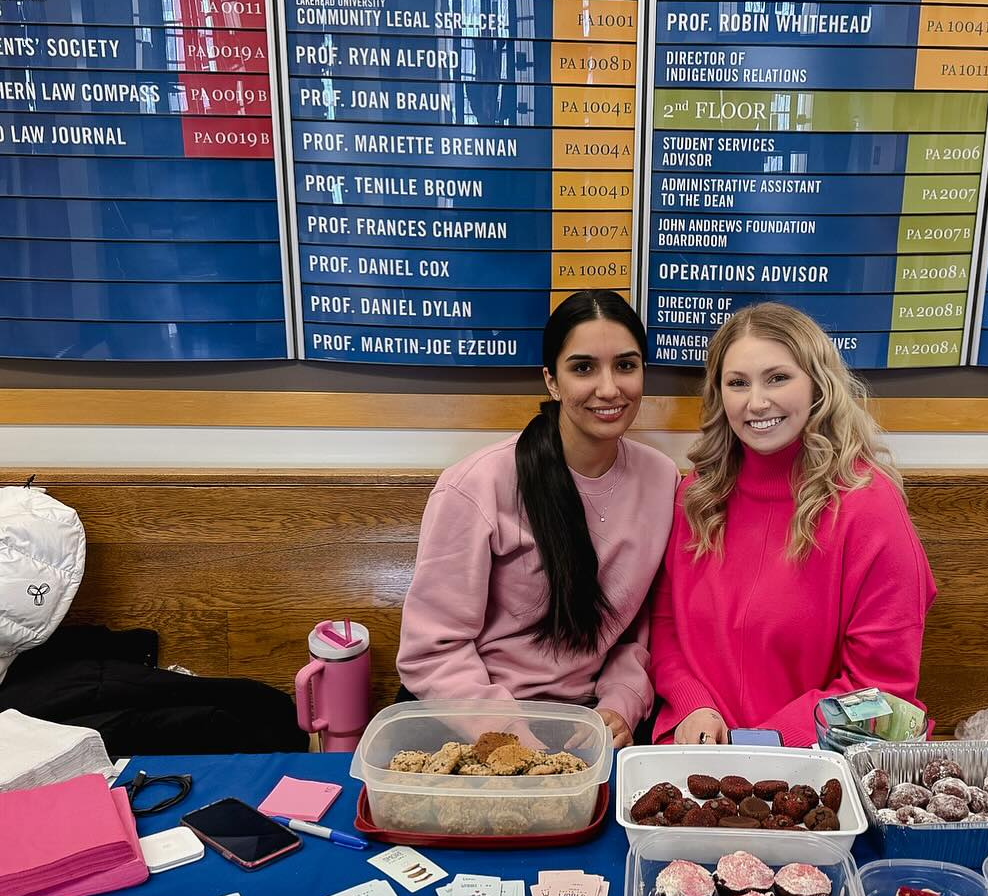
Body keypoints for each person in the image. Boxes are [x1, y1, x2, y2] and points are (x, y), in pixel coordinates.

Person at [398, 291, 676, 747]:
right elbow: (433, 650)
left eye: (626, 365)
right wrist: (510, 737)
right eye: (583, 368)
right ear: (551, 381)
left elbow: (639, 628)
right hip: (473, 719)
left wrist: (621, 703)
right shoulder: (477, 484)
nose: (609, 388)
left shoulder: (662, 479)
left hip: (588, 723)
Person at [650, 303, 936, 747]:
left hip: (814, 765)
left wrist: (765, 742)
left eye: (778, 378)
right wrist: (692, 703)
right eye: (738, 383)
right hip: (695, 749)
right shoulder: (698, 493)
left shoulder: (870, 508)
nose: (757, 401)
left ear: (818, 385)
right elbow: (665, 623)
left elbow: (881, 692)